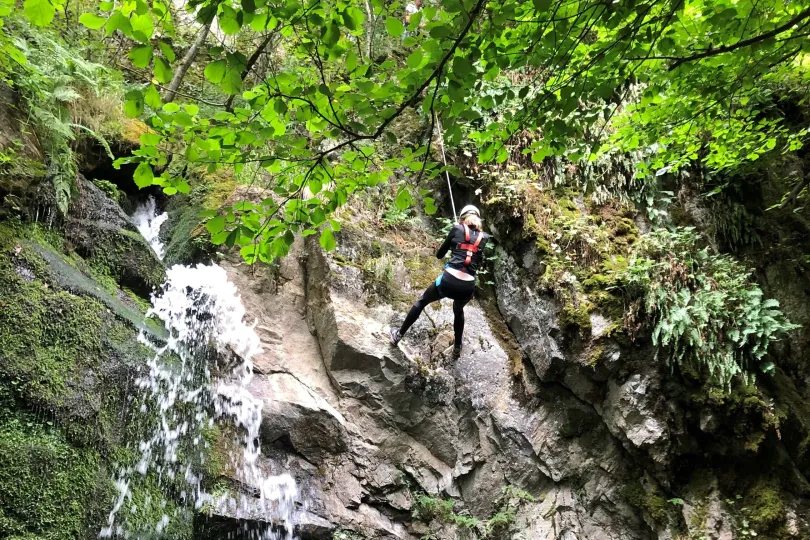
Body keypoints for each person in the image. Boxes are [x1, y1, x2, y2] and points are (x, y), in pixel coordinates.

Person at [389, 205, 490, 357]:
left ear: (462, 218)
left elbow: (439, 255)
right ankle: (457, 347)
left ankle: (398, 334)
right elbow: (477, 260)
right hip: (467, 286)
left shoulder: (457, 229)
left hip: (448, 281)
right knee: (458, 310)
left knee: (422, 302)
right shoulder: (485, 238)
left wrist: (454, 241)